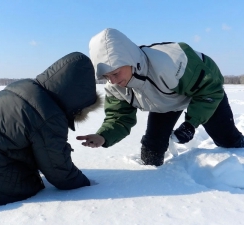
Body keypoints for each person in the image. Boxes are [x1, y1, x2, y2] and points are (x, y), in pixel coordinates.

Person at [0, 52, 101, 213]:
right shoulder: (49, 114)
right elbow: (59, 171)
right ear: (78, 100)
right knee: (33, 183)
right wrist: (85, 184)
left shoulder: (20, 88)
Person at [77, 28, 244, 167]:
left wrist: (190, 124)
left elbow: (210, 88)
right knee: (151, 152)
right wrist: (103, 136)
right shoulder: (115, 87)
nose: (113, 80)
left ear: (129, 60)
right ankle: (159, 181)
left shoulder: (171, 62)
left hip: (204, 93)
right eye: (106, 76)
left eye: (115, 73)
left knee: (227, 140)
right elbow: (119, 118)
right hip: (164, 103)